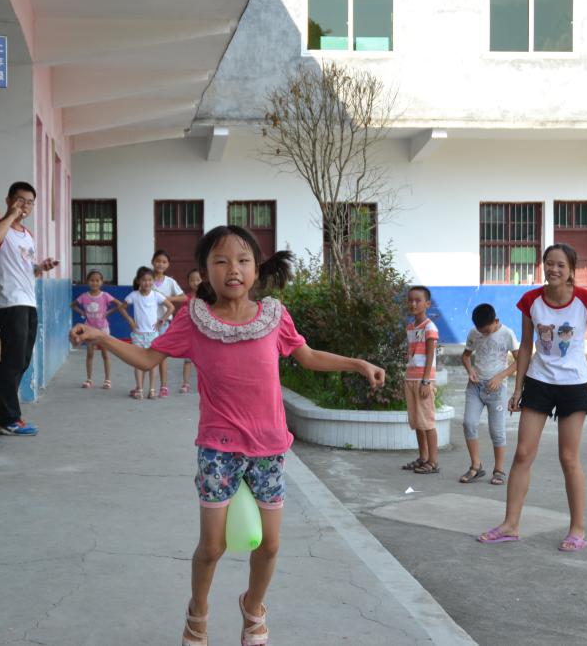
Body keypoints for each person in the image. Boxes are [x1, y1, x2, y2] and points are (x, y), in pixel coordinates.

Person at [70, 225, 384, 646]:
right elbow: (147, 359)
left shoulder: (274, 316)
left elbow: (307, 356)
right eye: (220, 261)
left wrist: (358, 364)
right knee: (212, 546)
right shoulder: (193, 320)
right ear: (204, 272)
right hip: (218, 451)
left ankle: (253, 607)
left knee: (269, 545)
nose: (232, 269)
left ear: (256, 270)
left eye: (242, 260)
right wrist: (101, 335)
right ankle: (197, 613)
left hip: (269, 448)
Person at [477, 243, 587, 552]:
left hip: (573, 384)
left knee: (568, 457)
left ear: (571, 270)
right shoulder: (531, 300)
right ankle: (510, 525)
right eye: (549, 263)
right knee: (522, 453)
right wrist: (518, 389)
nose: (553, 269)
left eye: (560, 265)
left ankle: (577, 530)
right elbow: (526, 346)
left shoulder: (585, 300)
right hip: (539, 382)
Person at [0, 181, 59, 436]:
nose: (25, 206)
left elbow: (30, 270)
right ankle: (8, 418)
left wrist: (41, 267)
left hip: (29, 301)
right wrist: (11, 215)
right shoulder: (2, 227)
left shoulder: (27, 235)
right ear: (9, 200)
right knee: (12, 360)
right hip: (10, 301)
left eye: (30, 202)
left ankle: (7, 412)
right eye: (20, 200)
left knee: (23, 360)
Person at [459, 303, 519, 486]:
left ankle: (499, 470)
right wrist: (470, 371)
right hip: (475, 387)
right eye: (480, 331)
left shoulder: (507, 334)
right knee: (469, 423)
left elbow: (520, 361)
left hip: (496, 390)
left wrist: (500, 377)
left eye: (486, 331)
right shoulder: (474, 333)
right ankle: (476, 466)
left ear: (496, 321)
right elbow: (465, 356)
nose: (483, 334)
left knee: (497, 431)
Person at [400, 286, 441, 475]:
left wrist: (426, 381)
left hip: (423, 380)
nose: (413, 304)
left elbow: (431, 355)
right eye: (410, 300)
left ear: (427, 304)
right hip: (411, 377)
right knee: (417, 421)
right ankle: (423, 457)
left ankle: (433, 462)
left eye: (418, 300)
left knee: (427, 421)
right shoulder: (410, 327)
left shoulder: (429, 327)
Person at [117, 266, 173, 399]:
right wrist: (130, 320)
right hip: (138, 334)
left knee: (152, 363)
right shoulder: (134, 295)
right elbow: (121, 308)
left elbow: (171, 307)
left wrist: (162, 319)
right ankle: (140, 390)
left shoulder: (156, 295)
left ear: (153, 281)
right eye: (143, 280)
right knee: (138, 362)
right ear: (138, 281)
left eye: (149, 280)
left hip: (153, 335)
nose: (147, 283)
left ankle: (152, 390)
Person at [71, 270, 124, 390]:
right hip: (89, 330)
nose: (94, 283)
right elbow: (73, 305)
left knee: (105, 354)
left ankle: (107, 380)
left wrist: (109, 312)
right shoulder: (84, 296)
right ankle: (89, 379)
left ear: (101, 282)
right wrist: (82, 312)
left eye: (97, 280)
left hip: (102, 330)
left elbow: (119, 304)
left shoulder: (105, 296)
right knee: (90, 354)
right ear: (87, 282)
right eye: (92, 280)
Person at [151, 249, 188, 397]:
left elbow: (184, 298)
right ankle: (142, 386)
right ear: (153, 262)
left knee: (161, 355)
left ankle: (163, 386)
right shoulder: (147, 279)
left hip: (163, 322)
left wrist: (168, 298)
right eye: (158, 261)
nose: (160, 264)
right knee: (145, 353)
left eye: (164, 262)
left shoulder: (170, 282)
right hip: (147, 322)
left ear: (168, 265)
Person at [179, 267, 203, 394]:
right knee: (187, 360)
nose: (195, 282)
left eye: (198, 279)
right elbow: (183, 315)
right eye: (192, 280)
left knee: (203, 362)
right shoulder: (186, 298)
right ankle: (185, 383)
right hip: (190, 334)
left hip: (203, 335)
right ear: (188, 282)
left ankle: (204, 383)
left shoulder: (207, 298)